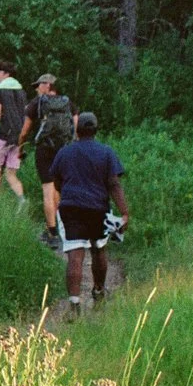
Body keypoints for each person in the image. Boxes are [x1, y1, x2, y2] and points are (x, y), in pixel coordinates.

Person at [47, 111, 130, 311]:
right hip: (98, 209)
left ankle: (74, 305)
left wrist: (66, 193)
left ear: (77, 130)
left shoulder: (65, 152)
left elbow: (56, 181)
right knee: (99, 250)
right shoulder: (106, 152)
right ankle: (99, 291)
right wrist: (125, 212)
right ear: (96, 130)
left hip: (70, 208)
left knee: (75, 256)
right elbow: (114, 184)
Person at [18, 73, 77, 247]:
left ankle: (52, 234)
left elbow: (24, 131)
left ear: (47, 85)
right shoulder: (67, 102)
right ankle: (59, 227)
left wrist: (20, 148)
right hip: (64, 150)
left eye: (38, 85)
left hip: (44, 150)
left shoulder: (36, 103)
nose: (36, 89)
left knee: (47, 190)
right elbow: (76, 125)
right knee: (59, 188)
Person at [0, 61, 26, 199]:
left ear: (5, 74)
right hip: (19, 136)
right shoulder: (21, 90)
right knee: (11, 173)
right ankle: (22, 199)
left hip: (2, 134)